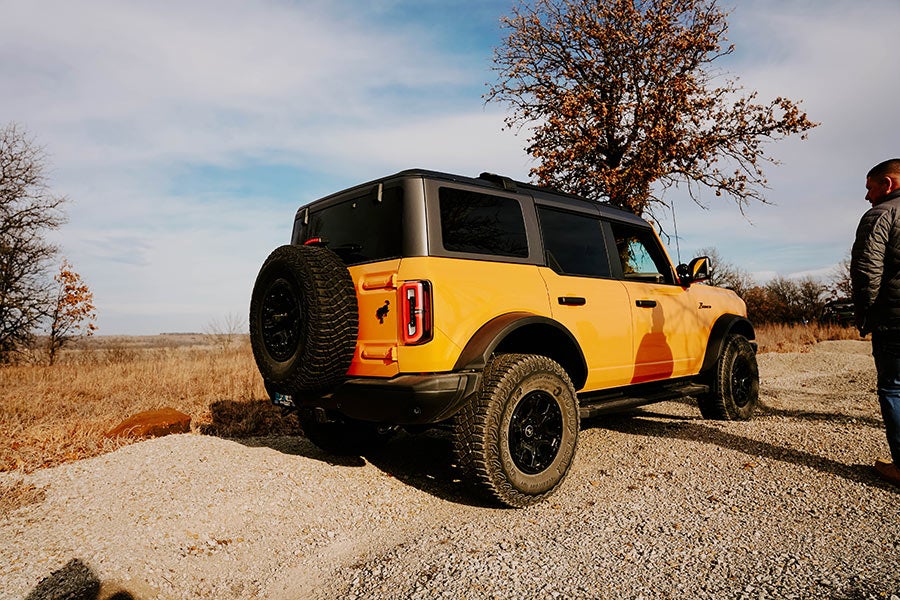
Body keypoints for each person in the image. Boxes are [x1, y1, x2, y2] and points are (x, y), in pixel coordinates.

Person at [851, 158, 900, 486]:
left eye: (870, 188)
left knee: (894, 387)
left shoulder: (881, 214)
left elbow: (868, 270)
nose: (867, 197)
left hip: (895, 319)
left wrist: (866, 313)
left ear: (888, 183)